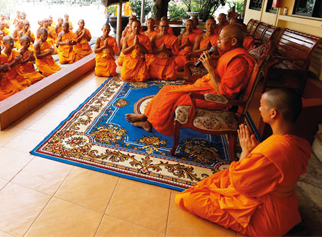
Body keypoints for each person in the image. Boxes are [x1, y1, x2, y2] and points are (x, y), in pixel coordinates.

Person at [176, 88, 311, 236]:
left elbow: (241, 185)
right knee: (218, 180)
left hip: (268, 221)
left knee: (187, 198)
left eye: (261, 105)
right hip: (288, 211)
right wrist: (255, 154)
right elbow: (276, 169)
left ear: (273, 113)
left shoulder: (272, 149)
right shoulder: (301, 144)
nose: (259, 108)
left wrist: (246, 154)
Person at [126, 24, 255, 134]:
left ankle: (148, 122)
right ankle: (145, 117)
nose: (217, 41)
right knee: (167, 89)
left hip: (216, 98)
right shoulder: (231, 54)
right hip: (207, 87)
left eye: (221, 39)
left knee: (171, 96)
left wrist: (210, 69)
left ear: (233, 42)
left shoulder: (239, 62)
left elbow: (225, 93)